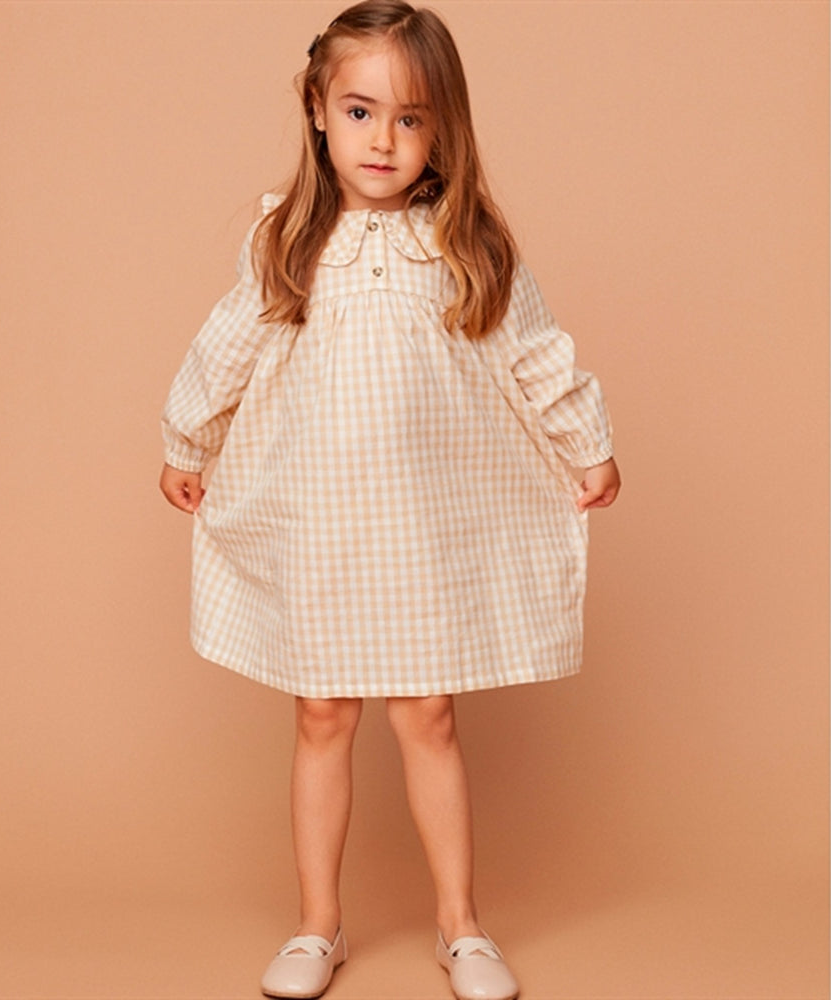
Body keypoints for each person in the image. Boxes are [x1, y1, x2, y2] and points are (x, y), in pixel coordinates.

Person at [159, 2, 620, 998]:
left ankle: (461, 925)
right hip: (317, 520)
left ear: (441, 128)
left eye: (410, 119)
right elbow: (225, 344)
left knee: (427, 713)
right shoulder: (285, 239)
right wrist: (188, 438)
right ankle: (317, 926)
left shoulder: (466, 244)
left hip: (423, 524)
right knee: (322, 712)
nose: (382, 139)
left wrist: (587, 445)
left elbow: (536, 352)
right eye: (360, 111)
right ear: (317, 110)